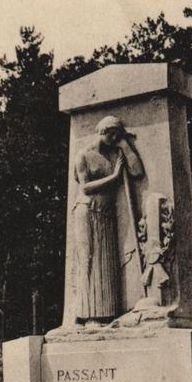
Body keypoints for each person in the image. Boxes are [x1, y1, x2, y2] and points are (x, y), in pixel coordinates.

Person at [73, 115, 144, 326]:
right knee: (88, 261)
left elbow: (137, 171)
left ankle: (105, 314)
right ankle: (86, 315)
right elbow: (84, 187)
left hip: (105, 213)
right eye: (112, 133)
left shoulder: (115, 155)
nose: (114, 137)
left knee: (106, 264)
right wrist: (113, 177)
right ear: (102, 131)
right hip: (87, 211)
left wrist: (125, 145)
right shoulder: (83, 155)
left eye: (117, 134)